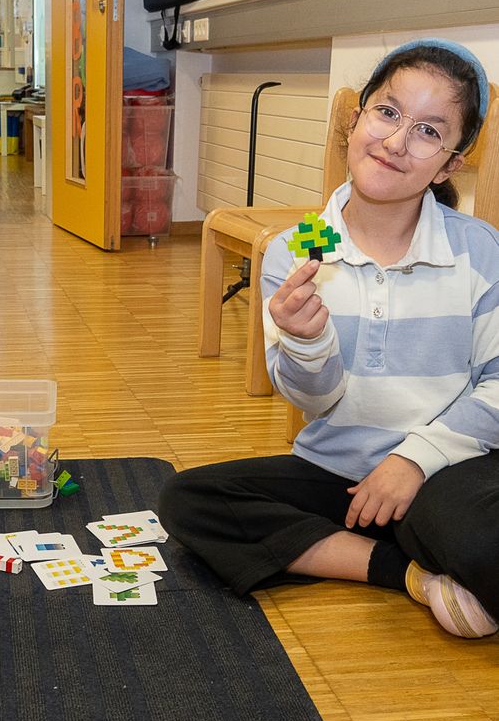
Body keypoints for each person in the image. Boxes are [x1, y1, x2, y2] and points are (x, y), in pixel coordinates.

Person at [159, 39, 499, 639]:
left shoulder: (476, 250)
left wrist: (412, 460)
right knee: (192, 501)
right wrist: (305, 341)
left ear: (449, 165)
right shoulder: (299, 249)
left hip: (447, 468)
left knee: (477, 534)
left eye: (428, 131)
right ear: (355, 119)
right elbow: (313, 402)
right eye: (388, 113)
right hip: (337, 470)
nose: (396, 141)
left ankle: (441, 549)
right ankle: (411, 574)